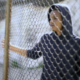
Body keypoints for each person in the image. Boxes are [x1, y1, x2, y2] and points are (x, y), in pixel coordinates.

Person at [2, 4, 80, 80]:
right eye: (50, 18)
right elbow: (32, 54)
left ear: (65, 19)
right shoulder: (46, 39)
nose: (51, 21)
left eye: (55, 18)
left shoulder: (77, 43)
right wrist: (10, 47)